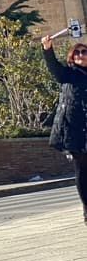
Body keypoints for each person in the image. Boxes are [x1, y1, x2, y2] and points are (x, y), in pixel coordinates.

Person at [41, 34, 87, 223]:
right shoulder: (69, 74)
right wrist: (47, 49)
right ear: (72, 57)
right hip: (75, 129)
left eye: (84, 52)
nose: (80, 55)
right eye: (77, 53)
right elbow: (55, 70)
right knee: (82, 170)